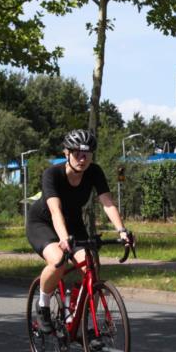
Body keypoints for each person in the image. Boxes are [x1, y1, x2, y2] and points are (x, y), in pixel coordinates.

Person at [26, 129, 132, 336]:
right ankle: (43, 305)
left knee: (91, 265)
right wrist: (64, 240)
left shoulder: (94, 172)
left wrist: (122, 231)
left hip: (73, 222)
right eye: (77, 154)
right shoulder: (52, 174)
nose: (82, 159)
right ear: (66, 153)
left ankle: (77, 320)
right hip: (43, 222)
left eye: (87, 155)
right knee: (58, 260)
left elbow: (107, 203)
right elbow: (55, 211)